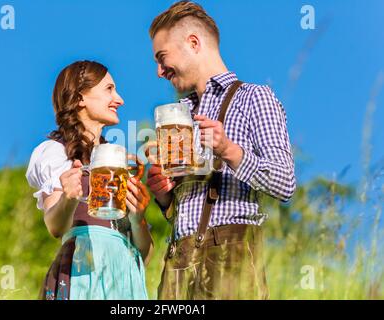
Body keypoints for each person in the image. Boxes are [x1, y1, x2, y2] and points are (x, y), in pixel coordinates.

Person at [146, 1, 296, 299]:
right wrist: (164, 197)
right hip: (178, 262)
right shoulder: (178, 113)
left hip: (233, 256)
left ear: (193, 43)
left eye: (162, 58)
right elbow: (186, 211)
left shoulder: (254, 98)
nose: (159, 72)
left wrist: (229, 149)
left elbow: (285, 182)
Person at [26, 60, 153, 300]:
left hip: (125, 277)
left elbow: (145, 256)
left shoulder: (114, 162)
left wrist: (138, 220)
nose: (119, 99)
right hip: (83, 273)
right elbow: (55, 227)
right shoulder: (55, 152)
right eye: (109, 89)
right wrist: (68, 198)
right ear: (79, 97)